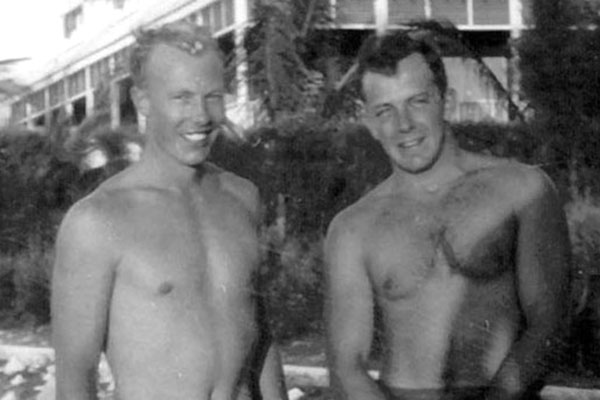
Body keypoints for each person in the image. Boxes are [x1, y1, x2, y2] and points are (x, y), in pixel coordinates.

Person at [324, 30, 572, 400]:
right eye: (385, 111)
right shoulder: (352, 229)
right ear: (371, 124)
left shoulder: (524, 190)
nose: (404, 124)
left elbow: (549, 323)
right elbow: (347, 365)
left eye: (418, 101)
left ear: (446, 101)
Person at [51, 21, 287, 400]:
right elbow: (75, 377)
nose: (202, 115)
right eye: (182, 97)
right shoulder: (98, 221)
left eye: (213, 96)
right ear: (142, 100)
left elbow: (259, 338)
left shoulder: (243, 197)